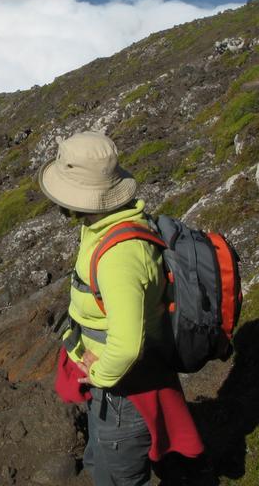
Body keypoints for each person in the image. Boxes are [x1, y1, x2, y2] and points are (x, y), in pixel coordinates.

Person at [39, 131, 203, 486]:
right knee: (100, 463)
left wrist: (99, 375)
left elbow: (128, 344)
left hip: (123, 394)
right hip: (114, 391)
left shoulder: (119, 256)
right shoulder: (104, 225)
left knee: (121, 478)